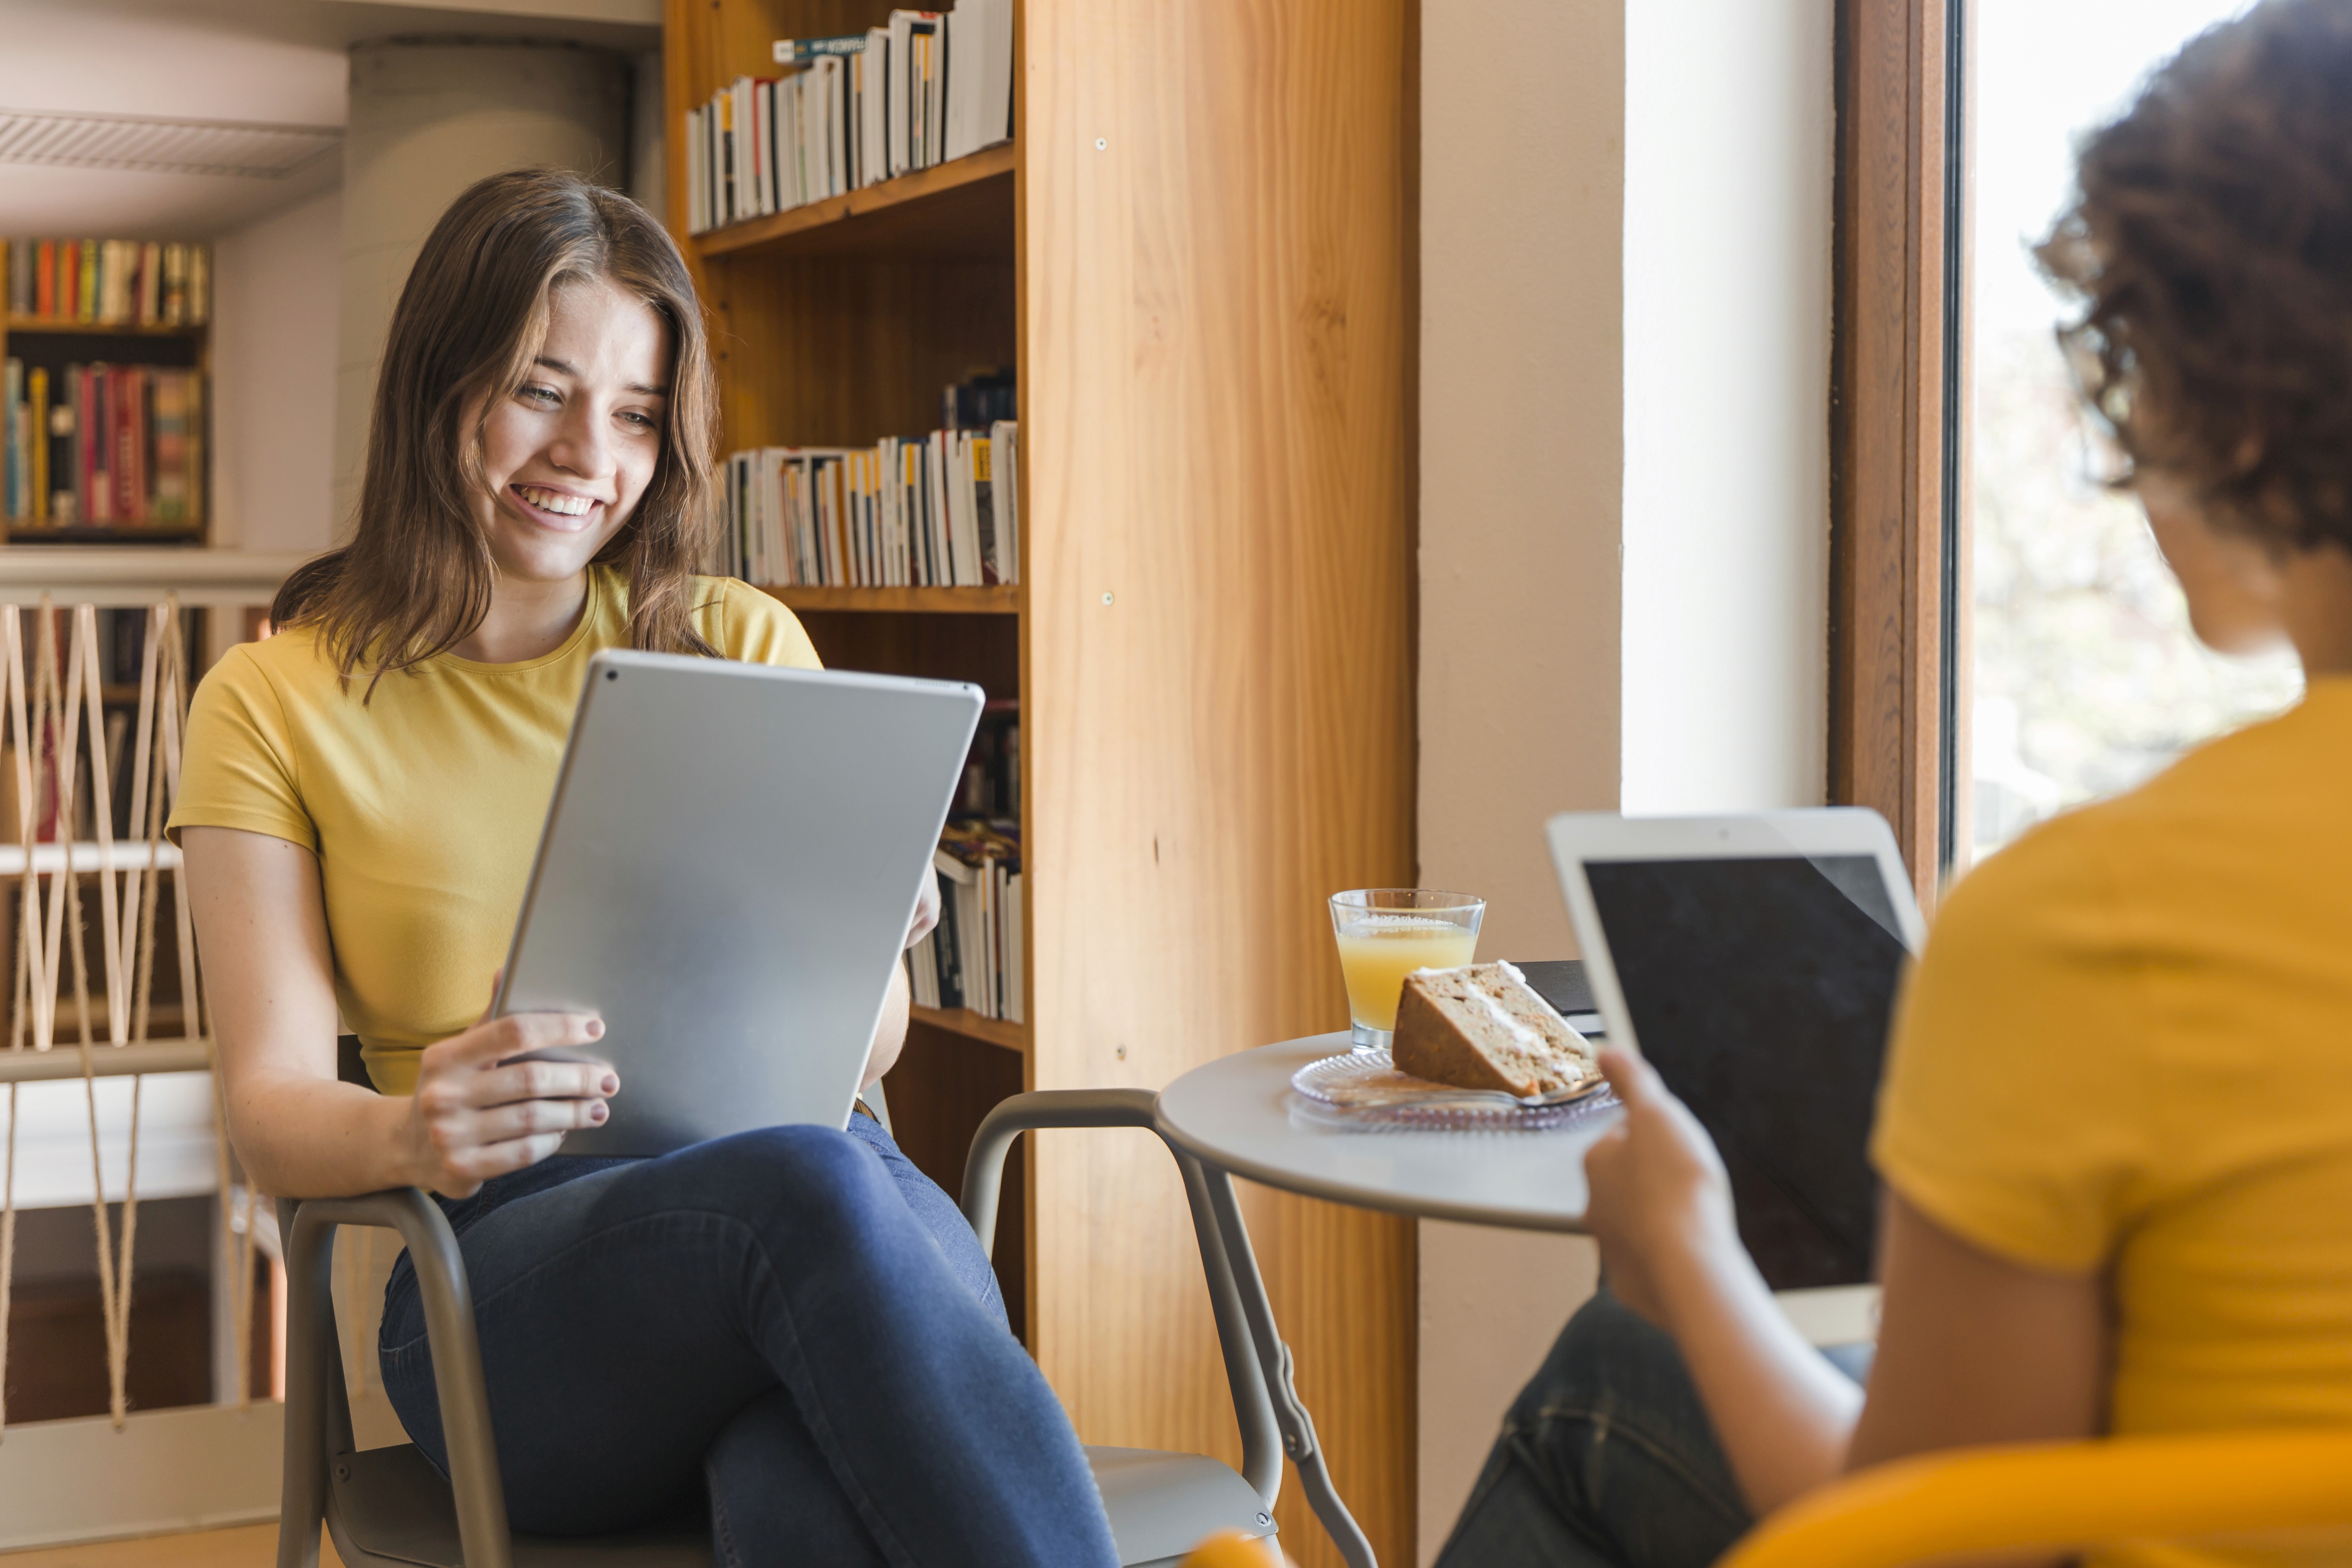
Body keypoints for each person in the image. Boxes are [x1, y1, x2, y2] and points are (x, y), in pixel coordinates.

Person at [1437, 4, 2352, 1566]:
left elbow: (1923, 1540)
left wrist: (1683, 1244)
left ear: (2233, 401)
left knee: (1609, 1377)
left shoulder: (2097, 918)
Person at [175, 168, 1119, 1567]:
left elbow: (863, 1054)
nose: (586, 453)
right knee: (816, 1191)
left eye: (632, 412)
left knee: (801, 1477)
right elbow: (268, 1106)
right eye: (540, 389)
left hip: (825, 1213)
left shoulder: (737, 642)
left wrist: (855, 939)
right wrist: (411, 1132)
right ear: (442, 381)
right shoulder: (275, 699)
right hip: (506, 1280)